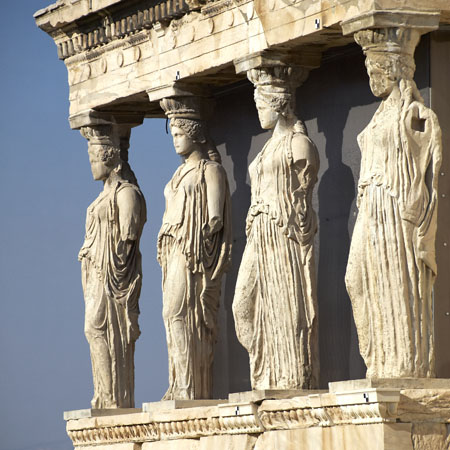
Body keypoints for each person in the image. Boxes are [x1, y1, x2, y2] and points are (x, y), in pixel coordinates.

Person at [345, 28, 442, 378]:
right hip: (371, 205)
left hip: (393, 203)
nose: (373, 77)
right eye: (370, 70)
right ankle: (378, 358)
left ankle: (401, 364)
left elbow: (431, 156)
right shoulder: (379, 115)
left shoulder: (411, 111)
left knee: (396, 281)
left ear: (395, 69)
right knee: (356, 279)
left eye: (378, 70)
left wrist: (418, 205)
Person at [233, 66, 320, 390]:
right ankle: (266, 367)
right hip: (259, 232)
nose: (258, 112)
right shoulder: (268, 147)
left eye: (261, 104)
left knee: (286, 305)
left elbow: (303, 199)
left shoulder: (299, 145)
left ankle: (290, 375)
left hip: (283, 234)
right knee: (242, 305)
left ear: (278, 103)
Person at [158, 98, 232, 400]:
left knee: (180, 314)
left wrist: (199, 241)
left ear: (194, 133)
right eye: (173, 134)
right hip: (173, 251)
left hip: (194, 254)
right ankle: (179, 383)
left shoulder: (210, 170)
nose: (175, 140)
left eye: (178, 133)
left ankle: (190, 387)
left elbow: (215, 217)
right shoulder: (177, 175)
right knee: (170, 315)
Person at [79, 125, 146, 408]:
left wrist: (112, 268)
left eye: (95, 159)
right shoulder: (102, 197)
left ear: (109, 157)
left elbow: (128, 238)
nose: (91, 165)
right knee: (93, 330)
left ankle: (114, 398)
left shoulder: (126, 193)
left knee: (100, 328)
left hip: (113, 277)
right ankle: (105, 396)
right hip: (96, 274)